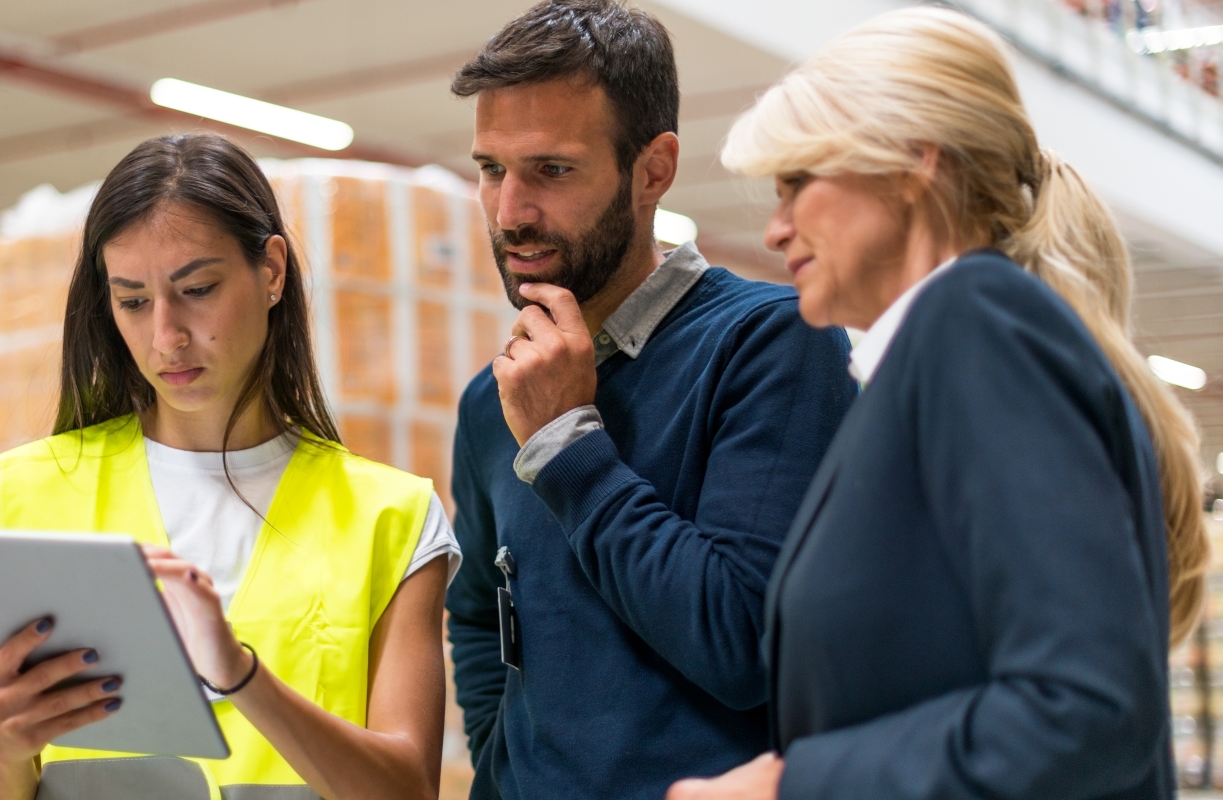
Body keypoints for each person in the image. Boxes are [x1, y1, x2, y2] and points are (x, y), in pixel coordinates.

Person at [667, 8, 1209, 800]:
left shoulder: (977, 323)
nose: (777, 228)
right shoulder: (929, 362)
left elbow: (1087, 708)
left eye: (796, 184)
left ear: (913, 163)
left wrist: (792, 785)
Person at [443, 2, 856, 798]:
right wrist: (503, 769)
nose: (509, 213)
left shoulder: (774, 344)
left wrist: (568, 442)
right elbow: (479, 621)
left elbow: (742, 643)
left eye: (551, 171)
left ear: (654, 169)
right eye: (492, 168)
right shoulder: (491, 399)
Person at [0, 133, 458, 800]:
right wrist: (3, 744)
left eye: (197, 288)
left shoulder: (392, 519)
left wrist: (240, 676)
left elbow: (408, 791)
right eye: (133, 301)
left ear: (273, 271)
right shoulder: (26, 494)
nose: (166, 336)